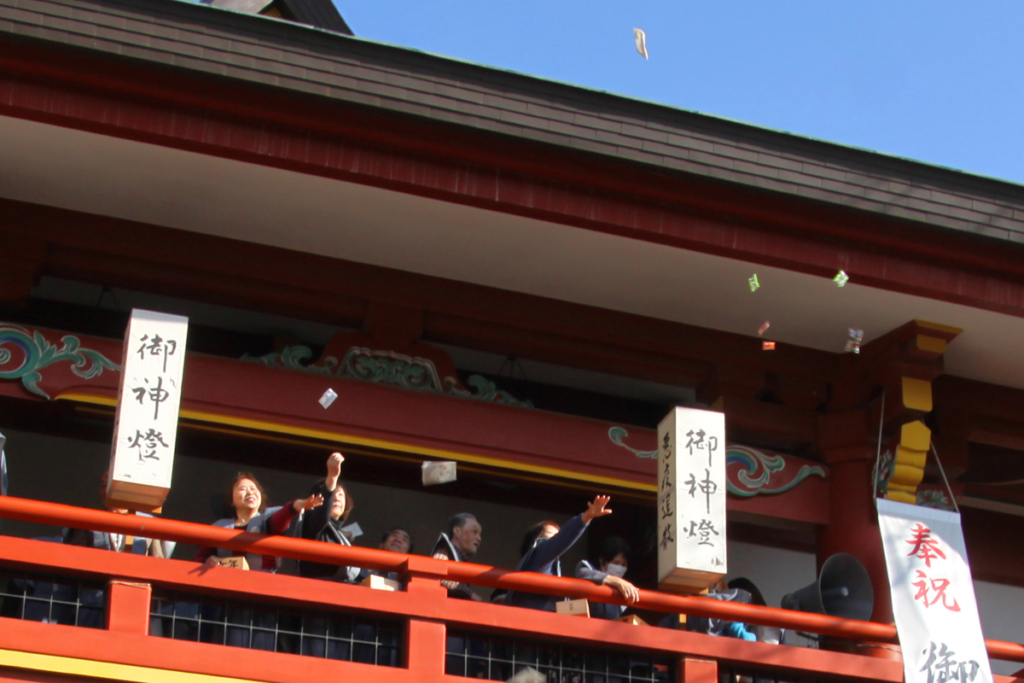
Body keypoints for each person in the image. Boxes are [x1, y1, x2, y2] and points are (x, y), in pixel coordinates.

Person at [192, 471, 322, 651]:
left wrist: (298, 505)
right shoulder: (220, 527)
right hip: (228, 598)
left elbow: (283, 516)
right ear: (231, 500)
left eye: (253, 489)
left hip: (262, 595)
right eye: (242, 489)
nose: (250, 492)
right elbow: (198, 560)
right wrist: (209, 561)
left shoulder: (267, 520)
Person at [505, 495, 615, 612]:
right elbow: (561, 540)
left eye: (557, 535)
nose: (555, 539)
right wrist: (587, 516)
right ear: (534, 541)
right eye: (551, 536)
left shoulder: (553, 568)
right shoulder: (536, 555)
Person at [295, 452, 360, 583]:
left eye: (341, 495)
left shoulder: (343, 537)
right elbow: (321, 516)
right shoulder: (311, 523)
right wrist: (332, 478)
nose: (337, 498)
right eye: (332, 494)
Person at [575, 536, 640, 619]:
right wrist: (618, 581)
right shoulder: (587, 568)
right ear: (602, 560)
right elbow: (582, 573)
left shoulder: (622, 591)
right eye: (616, 563)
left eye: (623, 564)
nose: (620, 568)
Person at [431, 512, 483, 601]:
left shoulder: (460, 557)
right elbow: (440, 576)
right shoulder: (444, 549)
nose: (479, 538)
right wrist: (470, 594)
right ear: (457, 531)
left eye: (479, 534)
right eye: (474, 532)